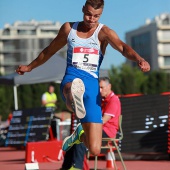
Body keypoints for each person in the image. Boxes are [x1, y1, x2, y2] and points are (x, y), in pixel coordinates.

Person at [16, 0, 150, 157]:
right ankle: (74, 100)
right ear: (82, 10)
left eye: (96, 16)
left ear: (101, 14)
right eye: (88, 14)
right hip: (72, 78)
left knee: (95, 149)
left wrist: (139, 59)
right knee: (71, 91)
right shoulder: (69, 29)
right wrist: (30, 67)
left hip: (92, 87)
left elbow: (123, 48)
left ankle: (79, 135)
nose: (91, 19)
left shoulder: (104, 32)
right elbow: (49, 51)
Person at [60, 77, 121, 170]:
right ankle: (65, 167)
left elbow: (103, 120)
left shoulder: (114, 100)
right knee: (75, 139)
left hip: (108, 132)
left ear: (109, 86)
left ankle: (77, 167)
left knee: (81, 137)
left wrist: (89, 125)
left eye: (102, 87)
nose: (100, 90)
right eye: (98, 88)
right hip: (98, 128)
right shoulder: (101, 99)